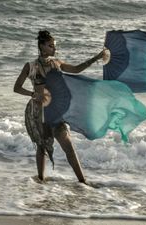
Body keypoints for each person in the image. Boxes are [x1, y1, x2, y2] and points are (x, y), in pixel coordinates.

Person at [14, 30, 104, 184]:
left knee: (68, 146)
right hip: (39, 113)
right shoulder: (30, 66)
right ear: (42, 46)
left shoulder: (57, 63)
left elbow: (76, 69)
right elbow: (17, 87)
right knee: (41, 148)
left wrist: (96, 57)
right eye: (51, 46)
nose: (54, 49)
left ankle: (83, 182)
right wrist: (32, 94)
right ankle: (41, 182)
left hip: (55, 112)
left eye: (54, 46)